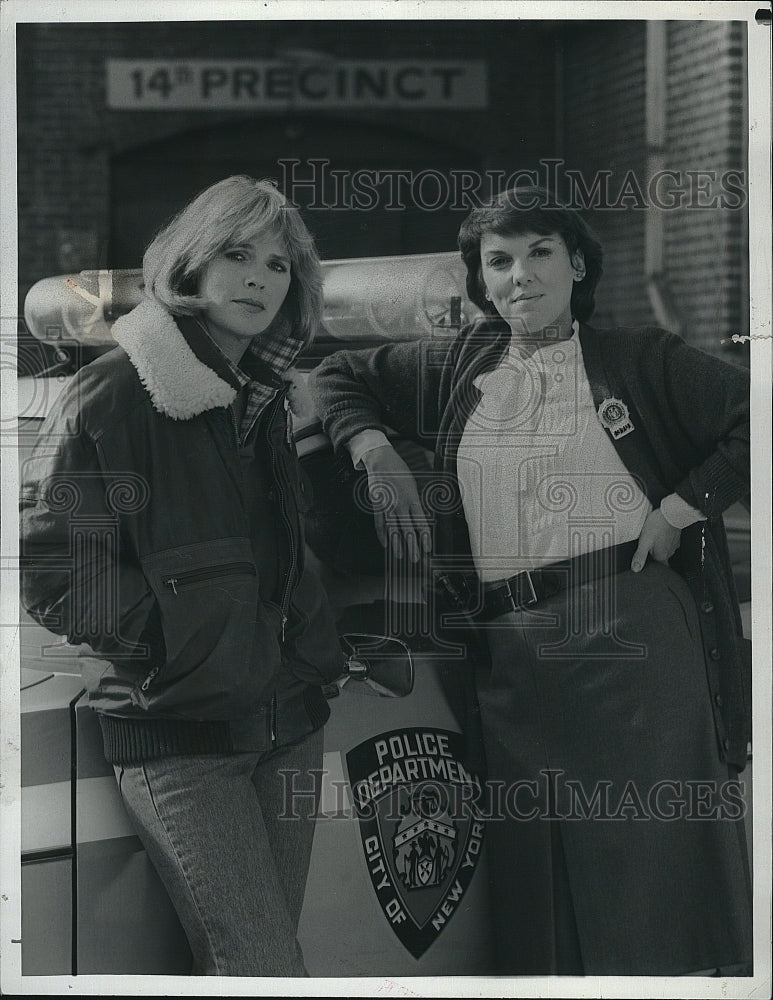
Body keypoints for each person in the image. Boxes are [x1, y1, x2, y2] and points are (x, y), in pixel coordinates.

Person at [307, 185, 753, 976]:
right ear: (480, 280)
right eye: (498, 260)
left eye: (540, 252)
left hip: (633, 646)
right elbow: (340, 376)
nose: (521, 275)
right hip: (508, 662)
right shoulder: (455, 366)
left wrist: (681, 508)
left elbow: (757, 415)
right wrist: (372, 451)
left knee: (644, 879)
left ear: (576, 263)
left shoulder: (639, 359)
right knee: (535, 899)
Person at [20, 175, 347, 976]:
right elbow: (60, 571)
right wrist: (183, 645)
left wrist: (310, 653)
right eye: (236, 255)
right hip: (181, 739)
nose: (257, 280)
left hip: (287, 724)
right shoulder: (114, 394)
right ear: (189, 264)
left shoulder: (260, 395)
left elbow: (283, 554)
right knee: (263, 968)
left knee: (271, 966)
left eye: (277, 266)